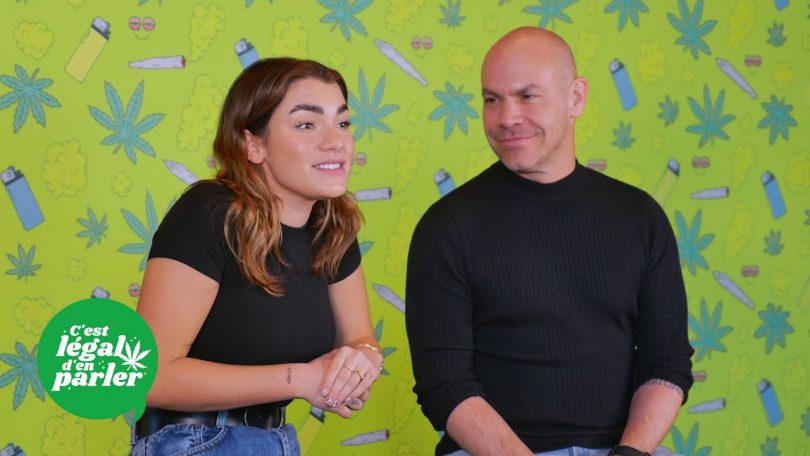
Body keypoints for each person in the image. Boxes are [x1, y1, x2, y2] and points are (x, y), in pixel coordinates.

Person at [405, 27, 693, 456]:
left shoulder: (640, 217)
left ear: (576, 98)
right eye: (492, 99)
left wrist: (630, 452)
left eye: (527, 96)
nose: (506, 118)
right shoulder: (447, 227)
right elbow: (444, 384)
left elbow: (666, 363)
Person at [131, 58, 384, 456]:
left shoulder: (333, 227)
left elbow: (360, 339)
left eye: (343, 122)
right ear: (254, 144)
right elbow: (148, 375)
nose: (335, 141)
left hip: (276, 440)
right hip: (196, 441)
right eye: (307, 124)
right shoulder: (209, 212)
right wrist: (303, 379)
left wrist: (360, 364)